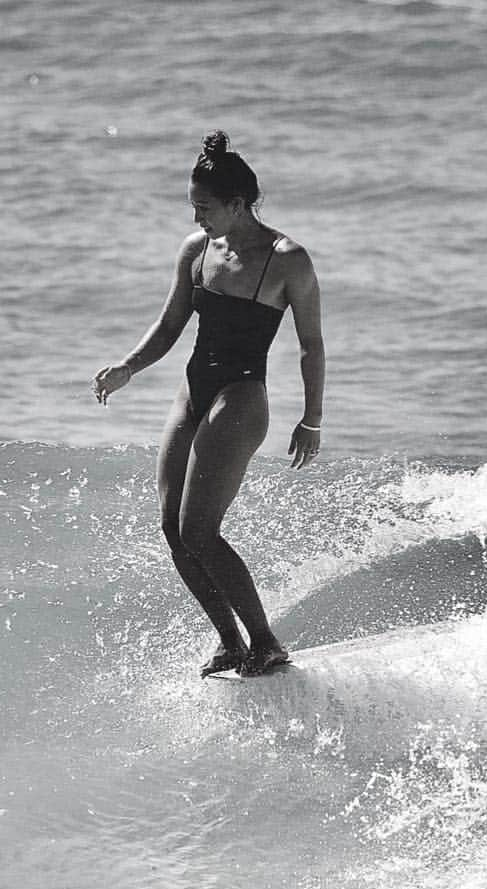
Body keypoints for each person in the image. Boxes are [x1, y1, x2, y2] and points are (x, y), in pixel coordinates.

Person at [92, 130, 325, 677]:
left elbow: (312, 344)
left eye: (205, 207)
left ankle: (265, 641)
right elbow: (172, 322)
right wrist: (128, 366)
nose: (197, 217)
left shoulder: (286, 259)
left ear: (238, 204)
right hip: (193, 391)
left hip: (241, 396)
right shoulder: (197, 250)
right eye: (193, 206)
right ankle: (230, 642)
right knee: (173, 529)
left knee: (201, 529)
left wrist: (311, 418)